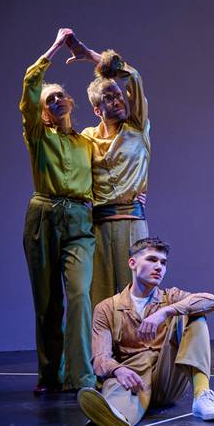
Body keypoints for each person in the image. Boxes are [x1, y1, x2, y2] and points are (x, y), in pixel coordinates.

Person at [78, 237, 214, 426]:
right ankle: (114, 419)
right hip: (133, 382)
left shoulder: (170, 297)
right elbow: (100, 358)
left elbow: (211, 300)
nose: (159, 267)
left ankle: (202, 396)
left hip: (167, 381)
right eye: (152, 260)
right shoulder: (107, 308)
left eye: (163, 263)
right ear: (132, 263)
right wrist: (118, 370)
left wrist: (165, 312)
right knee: (116, 385)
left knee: (195, 315)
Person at [20, 28, 96, 394]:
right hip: (44, 216)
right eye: (48, 99)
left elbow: (110, 172)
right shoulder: (38, 136)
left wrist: (136, 192)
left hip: (80, 221)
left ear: (70, 103)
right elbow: (30, 84)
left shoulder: (86, 142)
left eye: (60, 97)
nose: (55, 101)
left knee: (79, 295)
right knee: (48, 302)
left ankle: (81, 377)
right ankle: (50, 374)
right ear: (41, 110)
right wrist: (54, 46)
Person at [65, 37, 151, 306]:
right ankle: (99, 337)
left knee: (136, 293)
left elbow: (133, 76)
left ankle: (139, 336)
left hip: (132, 221)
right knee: (100, 298)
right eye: (109, 98)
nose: (118, 100)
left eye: (118, 94)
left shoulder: (137, 128)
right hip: (99, 225)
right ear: (97, 109)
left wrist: (92, 56)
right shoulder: (87, 138)